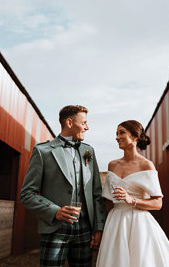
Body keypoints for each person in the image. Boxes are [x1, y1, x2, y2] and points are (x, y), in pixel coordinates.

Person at [19, 105, 106, 267]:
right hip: (54, 228)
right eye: (84, 122)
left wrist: (98, 228)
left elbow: (96, 194)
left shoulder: (89, 152)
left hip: (84, 228)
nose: (87, 127)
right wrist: (55, 211)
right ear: (69, 122)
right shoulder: (43, 151)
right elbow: (26, 194)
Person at [96, 120, 169, 267]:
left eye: (122, 132)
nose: (117, 137)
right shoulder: (112, 165)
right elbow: (108, 202)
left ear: (135, 136)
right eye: (116, 133)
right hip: (114, 223)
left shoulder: (146, 165)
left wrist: (132, 200)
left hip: (139, 223)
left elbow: (158, 203)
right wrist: (102, 229)